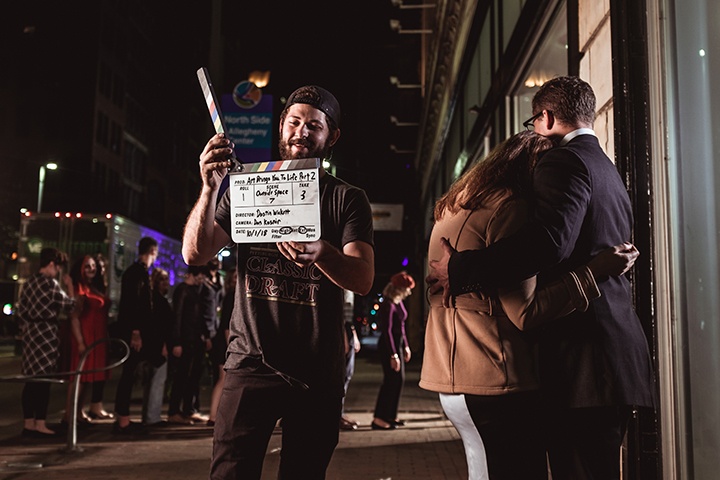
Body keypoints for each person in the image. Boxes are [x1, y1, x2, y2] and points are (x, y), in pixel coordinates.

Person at [426, 76, 656, 480]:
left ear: (546, 117)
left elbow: (547, 243)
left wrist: (463, 268)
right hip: (614, 357)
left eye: (533, 122)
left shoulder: (561, 160)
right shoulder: (607, 168)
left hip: (584, 364)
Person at [182, 84, 374, 479]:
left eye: (315, 126)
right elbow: (195, 254)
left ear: (331, 136)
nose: (302, 132)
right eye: (294, 122)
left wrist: (323, 252)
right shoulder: (246, 188)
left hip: (317, 371)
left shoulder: (347, 199)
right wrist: (208, 188)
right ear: (281, 127)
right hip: (250, 362)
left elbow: (364, 278)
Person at [16, 247, 75, 437]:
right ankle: (41, 423)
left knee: (30, 380)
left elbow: (21, 311)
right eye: (57, 268)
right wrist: (71, 288)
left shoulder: (29, 283)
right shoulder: (51, 285)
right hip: (47, 335)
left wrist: (26, 328)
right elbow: (69, 305)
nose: (58, 271)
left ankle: (28, 423)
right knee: (44, 381)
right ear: (51, 264)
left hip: (32, 334)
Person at [112, 236, 159, 434]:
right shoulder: (138, 273)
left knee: (129, 374)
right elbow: (134, 304)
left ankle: (123, 417)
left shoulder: (137, 272)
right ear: (152, 251)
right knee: (128, 374)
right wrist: (136, 332)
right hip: (134, 331)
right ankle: (123, 419)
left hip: (134, 329)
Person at [63, 254, 112, 425]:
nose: (92, 269)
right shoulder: (78, 288)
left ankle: (79, 412)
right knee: (78, 378)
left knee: (87, 378)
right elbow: (73, 315)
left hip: (97, 337)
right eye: (87, 266)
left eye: (93, 266)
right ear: (80, 269)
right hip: (84, 336)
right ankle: (69, 414)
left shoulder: (93, 287)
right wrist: (80, 342)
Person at [167, 265, 215, 425]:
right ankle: (174, 411)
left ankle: (188, 409)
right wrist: (177, 342)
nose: (202, 279)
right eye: (200, 276)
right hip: (185, 340)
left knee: (192, 377)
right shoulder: (183, 290)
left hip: (195, 340)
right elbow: (177, 317)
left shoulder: (195, 290)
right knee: (181, 376)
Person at [371, 271, 414, 430]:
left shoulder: (398, 302)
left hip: (398, 343)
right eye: (407, 289)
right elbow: (387, 331)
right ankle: (379, 418)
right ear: (398, 289)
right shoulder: (388, 304)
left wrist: (406, 346)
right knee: (390, 380)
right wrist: (393, 354)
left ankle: (391, 415)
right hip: (388, 345)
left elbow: (401, 326)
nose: (409, 292)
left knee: (398, 380)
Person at [143, 267, 173, 426]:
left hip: (154, 344)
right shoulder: (159, 301)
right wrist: (164, 345)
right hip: (158, 345)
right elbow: (161, 326)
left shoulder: (154, 300)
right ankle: (152, 417)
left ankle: (150, 416)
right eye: (163, 280)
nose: (166, 283)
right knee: (157, 381)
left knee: (154, 381)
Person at [207, 267, 236, 427]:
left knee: (224, 379)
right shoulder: (232, 296)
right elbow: (226, 325)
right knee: (223, 379)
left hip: (227, 342)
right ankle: (213, 416)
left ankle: (215, 416)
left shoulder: (231, 296)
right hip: (225, 343)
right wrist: (230, 348)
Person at [339, 289, 360, 430]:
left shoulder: (349, 286)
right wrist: (344, 337)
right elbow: (338, 311)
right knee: (342, 376)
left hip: (347, 328)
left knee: (347, 375)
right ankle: (337, 415)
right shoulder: (341, 283)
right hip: (341, 329)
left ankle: (340, 413)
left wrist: (353, 333)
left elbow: (348, 314)